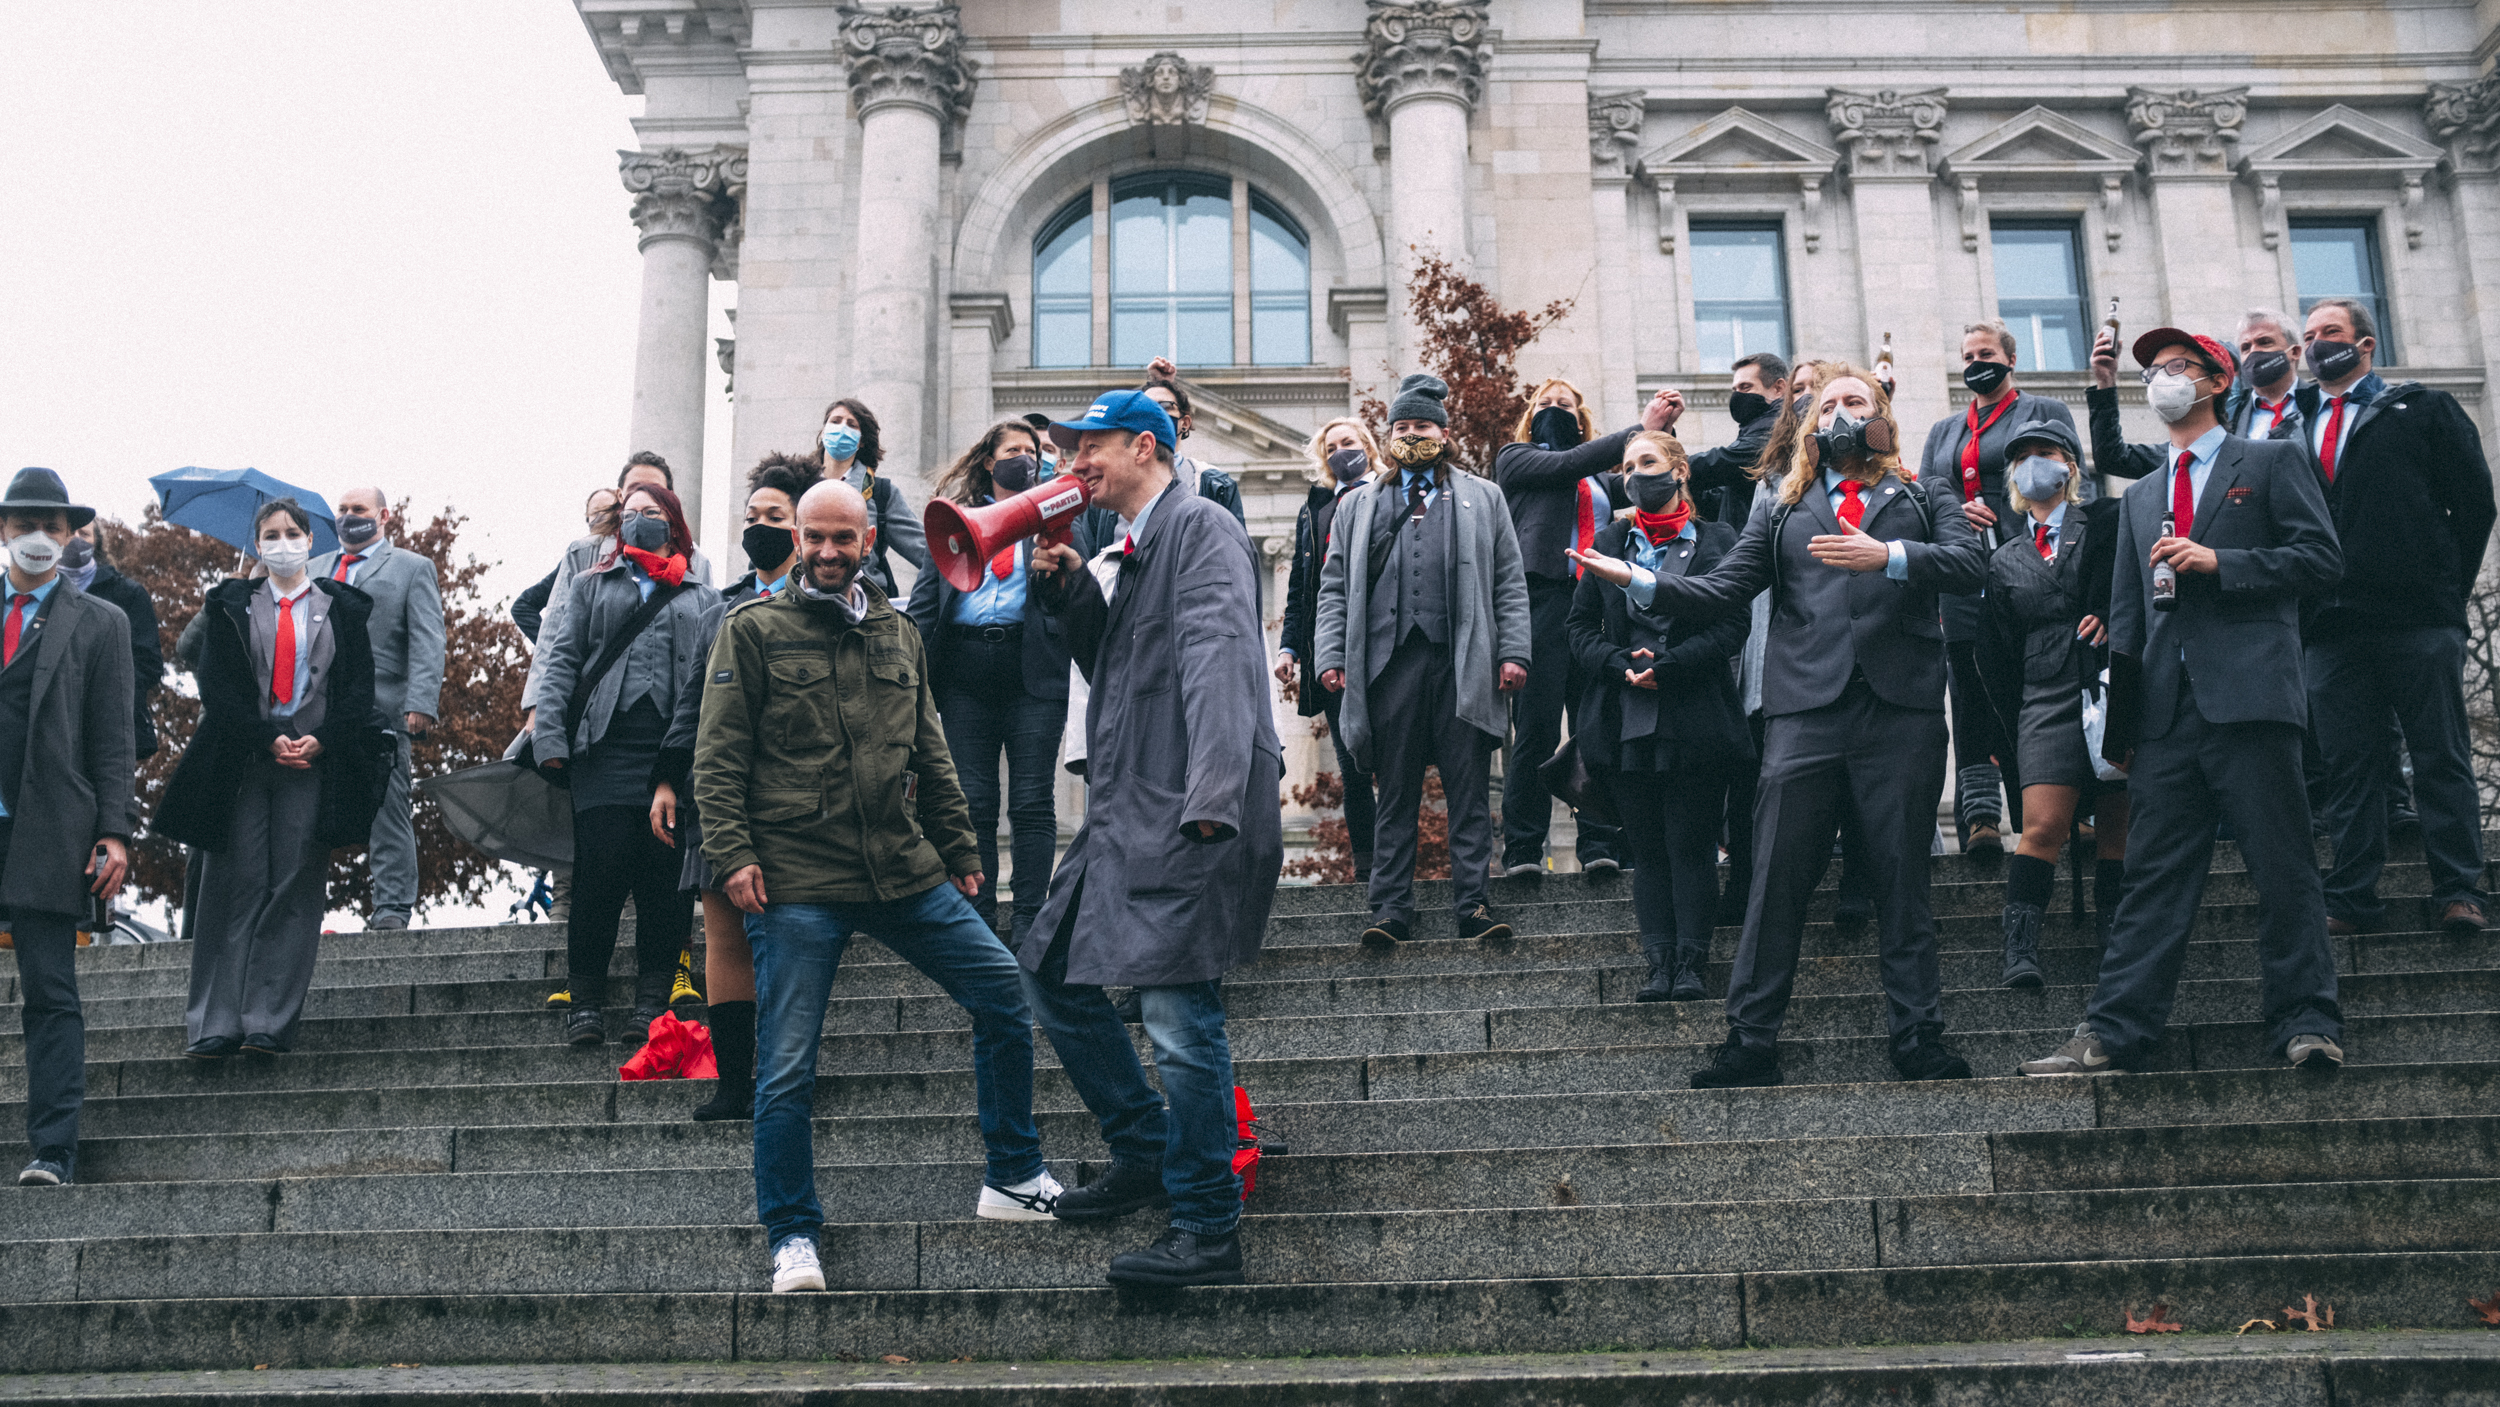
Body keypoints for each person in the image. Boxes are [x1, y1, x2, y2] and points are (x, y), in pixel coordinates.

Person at [697, 479, 1061, 1298]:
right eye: (813, 538)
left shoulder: (899, 632)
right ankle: (792, 1232)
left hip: (900, 869)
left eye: (843, 539)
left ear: (868, 539)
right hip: (795, 878)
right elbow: (716, 758)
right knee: (785, 1067)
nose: (828, 552)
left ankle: (1014, 1173)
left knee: (1004, 989)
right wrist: (732, 854)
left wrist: (961, 844)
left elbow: (929, 746)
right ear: (795, 538)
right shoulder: (750, 630)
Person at [1585, 366, 1987, 1089]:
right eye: (1825, 404)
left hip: (1900, 711)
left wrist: (1889, 556)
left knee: (1902, 878)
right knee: (1773, 875)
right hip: (1804, 712)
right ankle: (1751, 1038)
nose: (1837, 413)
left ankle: (1918, 1034)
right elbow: (1722, 588)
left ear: (1880, 414)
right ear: (1806, 425)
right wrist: (1638, 580)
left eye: (1852, 401)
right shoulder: (1781, 502)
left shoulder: (1926, 493)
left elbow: (1967, 564)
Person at [2023, 328, 2344, 1076]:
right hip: (2167, 717)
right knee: (2152, 878)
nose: (2163, 378)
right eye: (2153, 370)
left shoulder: (2267, 461)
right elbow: (2127, 616)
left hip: (2252, 701)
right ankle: (2117, 1028)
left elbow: (2322, 560)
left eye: (2178, 367)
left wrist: (2221, 561)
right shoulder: (2139, 495)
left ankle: (2307, 1020)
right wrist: (2123, 726)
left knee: (2283, 866)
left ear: (2215, 379)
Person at [1019, 388, 1283, 1288]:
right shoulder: (1128, 548)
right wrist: (1068, 597)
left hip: (1182, 805)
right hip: (1126, 807)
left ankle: (1208, 1226)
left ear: (1145, 445)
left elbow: (1219, 656)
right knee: (1048, 971)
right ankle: (1145, 1147)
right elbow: (1122, 670)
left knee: (1178, 1016)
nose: (1072, 463)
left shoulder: (1202, 525)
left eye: (1087, 447)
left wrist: (1213, 797)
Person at [2292, 297, 2495, 937]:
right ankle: (2351, 897)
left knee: (2440, 757)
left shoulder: (2424, 410)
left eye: (2331, 332)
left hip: (2418, 620)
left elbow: (2475, 506)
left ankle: (2460, 890)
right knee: (2351, 768)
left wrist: (2440, 588)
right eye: (2309, 336)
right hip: (2330, 628)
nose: (2318, 343)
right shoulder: (2290, 427)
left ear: (2365, 344)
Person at [158, 497, 388, 1060]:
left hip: (313, 765)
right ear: (257, 544)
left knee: (293, 886)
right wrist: (265, 738)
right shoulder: (231, 603)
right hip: (243, 761)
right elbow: (218, 690)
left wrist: (323, 738)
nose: (282, 542)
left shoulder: (344, 608)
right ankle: (216, 1021)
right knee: (230, 885)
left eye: (292, 532)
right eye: (270, 534)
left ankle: (267, 1020)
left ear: (312, 541)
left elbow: (358, 691)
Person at [1314, 373, 1532, 948]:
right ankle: (1389, 910)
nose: (1412, 435)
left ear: (1444, 431)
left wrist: (1513, 652)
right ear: (1389, 436)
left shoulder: (1483, 496)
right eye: (1402, 427)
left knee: (1468, 791)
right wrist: (1330, 655)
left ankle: (1475, 905)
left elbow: (1510, 580)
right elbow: (1332, 588)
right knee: (1396, 796)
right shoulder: (1357, 505)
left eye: (1423, 426)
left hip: (1463, 661)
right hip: (1388, 668)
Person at [655, 454, 817, 1121]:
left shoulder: (825, 604)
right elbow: (690, 700)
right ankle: (735, 1082)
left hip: (798, 795)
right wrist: (667, 779)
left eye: (774, 518)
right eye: (751, 518)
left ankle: (790, 1073)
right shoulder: (721, 609)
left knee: (792, 939)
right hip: (717, 791)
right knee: (721, 936)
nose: (758, 528)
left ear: (802, 527)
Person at [533, 484, 722, 1045]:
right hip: (603, 747)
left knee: (665, 881)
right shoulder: (592, 585)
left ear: (674, 522)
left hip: (672, 751)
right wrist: (549, 736)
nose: (641, 520)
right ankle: (584, 1003)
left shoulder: (702, 597)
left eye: (653, 512)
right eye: (631, 512)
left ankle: (651, 1003)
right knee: (599, 873)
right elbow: (562, 658)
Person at [1564, 434, 1750, 1002]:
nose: (1634, 475)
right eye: (1626, 467)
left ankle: (1692, 961)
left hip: (1694, 711)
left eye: (1647, 463)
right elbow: (1578, 629)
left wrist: (1672, 666)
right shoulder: (1611, 539)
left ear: (1679, 470)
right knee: (1645, 848)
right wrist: (1620, 663)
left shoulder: (1720, 538)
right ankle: (1658, 963)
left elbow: (1731, 624)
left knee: (1690, 843)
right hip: (1625, 717)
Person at [0, 469, 135, 1186]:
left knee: (51, 989)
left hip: (51, 826)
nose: (41, 538)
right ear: (3, 530)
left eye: (54, 526)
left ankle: (53, 1148)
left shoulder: (101, 623)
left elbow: (112, 738)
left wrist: (114, 830)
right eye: (27, 524)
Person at [905, 420, 1085, 947]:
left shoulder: (1052, 517)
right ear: (989, 459)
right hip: (964, 671)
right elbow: (923, 607)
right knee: (973, 801)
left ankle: (1030, 917)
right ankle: (980, 919)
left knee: (1031, 800)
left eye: (1032, 452)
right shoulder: (956, 522)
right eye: (1013, 450)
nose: (1025, 459)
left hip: (1033, 669)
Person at [1488, 377, 1677, 877]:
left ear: (1583, 417)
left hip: (1594, 603)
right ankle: (1525, 848)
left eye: (1565, 405)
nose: (1555, 410)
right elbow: (1566, 464)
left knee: (1595, 725)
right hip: (1542, 601)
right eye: (1546, 404)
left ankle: (1599, 843)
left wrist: (1657, 441)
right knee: (1536, 728)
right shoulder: (1517, 459)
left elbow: (1645, 484)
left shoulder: (1600, 482)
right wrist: (1641, 427)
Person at [1969, 419, 2128, 984]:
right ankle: (2020, 949)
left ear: (2070, 465)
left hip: (2109, 685)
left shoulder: (2107, 523)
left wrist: (2113, 616)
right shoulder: (2004, 557)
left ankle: (2118, 940)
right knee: (2041, 825)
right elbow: (1997, 650)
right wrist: (2002, 726)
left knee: (2116, 818)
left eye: (2046, 452)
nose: (2035, 463)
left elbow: (2133, 585)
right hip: (2043, 695)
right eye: (2023, 457)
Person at [1919, 322, 2080, 855]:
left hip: (2027, 568)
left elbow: (2067, 479)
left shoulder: (2043, 412)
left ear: (2011, 359)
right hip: (1963, 580)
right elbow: (1925, 496)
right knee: (1967, 693)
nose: (1974, 363)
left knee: (2026, 687)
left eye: (1985, 353)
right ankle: (1980, 819)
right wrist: (1953, 512)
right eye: (1967, 355)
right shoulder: (1945, 430)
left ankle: (2048, 812)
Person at [312, 486, 445, 932]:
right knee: (306, 810)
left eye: (359, 510)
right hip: (315, 711)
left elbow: (428, 638)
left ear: (383, 515)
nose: (350, 517)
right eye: (343, 510)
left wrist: (421, 702)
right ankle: (300, 905)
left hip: (382, 709)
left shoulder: (412, 568)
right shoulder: (312, 569)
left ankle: (392, 908)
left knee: (388, 810)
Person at [1277, 417, 1384, 885]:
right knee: (1353, 768)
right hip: (1332, 653)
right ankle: (1368, 871)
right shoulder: (1315, 509)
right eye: (1333, 445)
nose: (1342, 451)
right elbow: (1302, 588)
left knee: (1396, 764)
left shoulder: (1391, 492)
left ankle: (1398, 869)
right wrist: (1288, 648)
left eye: (1350, 442)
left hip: (1386, 645)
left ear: (1368, 446)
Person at [63, 520, 163, 760]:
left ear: (96, 541)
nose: (76, 539)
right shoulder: (41, 593)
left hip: (110, 730)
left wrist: (106, 697)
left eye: (84, 533)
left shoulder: (127, 593)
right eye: (69, 532)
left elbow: (148, 663)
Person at [815, 398, 930, 598]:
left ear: (861, 441)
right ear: (823, 431)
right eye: (835, 421)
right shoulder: (797, 486)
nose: (842, 428)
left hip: (865, 608)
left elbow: (926, 553)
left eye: (851, 425)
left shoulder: (880, 493)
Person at [1140, 357, 1248, 525]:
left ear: (1185, 423)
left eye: (1165, 406)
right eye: (1146, 407)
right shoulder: (1114, 484)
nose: (1155, 413)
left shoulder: (1215, 484)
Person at [515, 490, 616, 645]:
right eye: (595, 512)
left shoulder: (630, 554)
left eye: (608, 510)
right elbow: (523, 607)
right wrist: (558, 648)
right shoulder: (575, 559)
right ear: (588, 519)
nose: (602, 517)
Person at [2226, 309, 2307, 442]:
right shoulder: (2230, 417)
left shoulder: (2323, 401)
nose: (2253, 351)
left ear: (2294, 351)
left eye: (2264, 342)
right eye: (2245, 347)